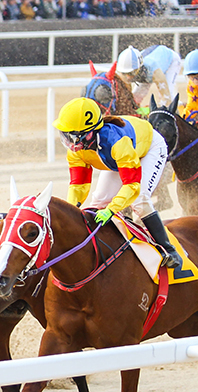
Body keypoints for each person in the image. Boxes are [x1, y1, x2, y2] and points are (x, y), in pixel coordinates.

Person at [54, 97, 182, 269]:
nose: (68, 142)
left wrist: (112, 210)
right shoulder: (77, 149)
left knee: (139, 200)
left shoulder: (115, 142)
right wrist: (71, 209)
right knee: (98, 201)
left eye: (71, 136)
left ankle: (168, 249)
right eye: (65, 135)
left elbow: (132, 185)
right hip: (117, 159)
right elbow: (79, 185)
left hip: (149, 148)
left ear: (89, 133)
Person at [115, 44, 182, 110]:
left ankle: (180, 110)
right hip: (147, 71)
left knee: (170, 94)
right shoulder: (124, 71)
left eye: (131, 73)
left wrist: (153, 111)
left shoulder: (153, 70)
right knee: (135, 97)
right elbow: (129, 98)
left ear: (139, 68)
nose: (128, 77)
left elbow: (167, 98)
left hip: (171, 61)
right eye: (124, 73)